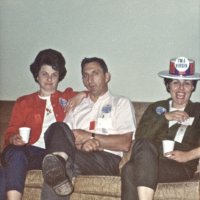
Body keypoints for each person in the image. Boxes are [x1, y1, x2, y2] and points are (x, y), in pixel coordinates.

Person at [41, 57, 136, 199]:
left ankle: (59, 162)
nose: (89, 79)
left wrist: (91, 137)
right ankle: (59, 162)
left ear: (107, 76)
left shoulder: (121, 103)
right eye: (85, 75)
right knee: (57, 131)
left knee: (58, 162)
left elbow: (125, 143)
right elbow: (64, 137)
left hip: (108, 160)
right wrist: (81, 145)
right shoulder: (76, 106)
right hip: (78, 155)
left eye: (95, 73)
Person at [0, 48, 87, 200]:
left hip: (51, 155)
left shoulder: (66, 97)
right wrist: (14, 138)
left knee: (56, 128)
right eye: (44, 74)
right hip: (27, 151)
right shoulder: (24, 102)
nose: (49, 79)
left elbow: (93, 92)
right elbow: (10, 132)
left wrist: (81, 95)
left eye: (54, 75)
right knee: (15, 153)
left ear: (59, 77)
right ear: (37, 76)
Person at [121, 57, 200, 200]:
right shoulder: (156, 108)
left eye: (187, 83)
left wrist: (187, 155)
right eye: (175, 82)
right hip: (149, 161)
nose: (181, 88)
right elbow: (140, 138)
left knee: (131, 169)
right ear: (168, 85)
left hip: (180, 167)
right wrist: (165, 117)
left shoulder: (198, 110)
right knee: (129, 168)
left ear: (193, 87)